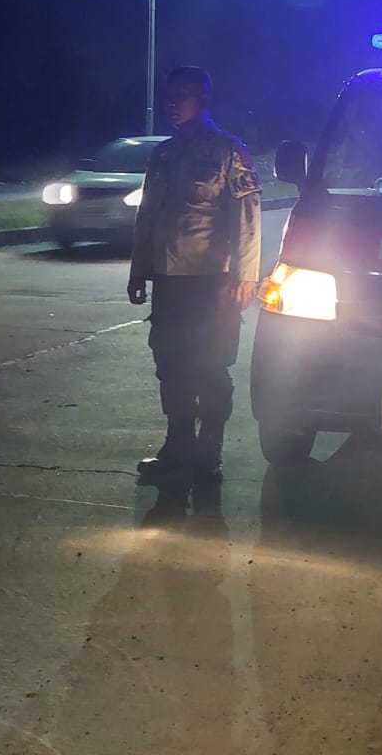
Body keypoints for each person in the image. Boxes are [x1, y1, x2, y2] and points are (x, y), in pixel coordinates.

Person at [128, 66, 262, 484]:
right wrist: (139, 270)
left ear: (203, 100)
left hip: (212, 282)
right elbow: (147, 216)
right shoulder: (163, 154)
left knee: (210, 366)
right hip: (169, 281)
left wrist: (245, 276)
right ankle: (178, 446)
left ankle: (209, 452)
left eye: (182, 95)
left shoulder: (229, 152)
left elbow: (248, 216)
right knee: (170, 363)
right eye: (169, 95)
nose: (173, 103)